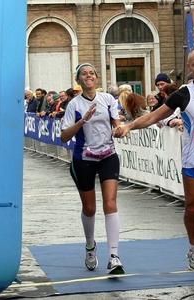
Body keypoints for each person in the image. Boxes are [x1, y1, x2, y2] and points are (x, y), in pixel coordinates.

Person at [113, 48, 194, 271]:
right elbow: (154, 116)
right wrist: (128, 126)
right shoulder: (183, 94)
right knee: (193, 209)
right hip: (193, 161)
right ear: (190, 68)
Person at [60, 63, 125, 275]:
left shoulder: (107, 99)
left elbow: (116, 122)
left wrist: (119, 129)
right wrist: (83, 121)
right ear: (78, 80)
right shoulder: (74, 105)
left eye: (91, 73)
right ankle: (90, 246)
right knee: (90, 209)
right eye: (83, 74)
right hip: (83, 159)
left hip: (108, 156)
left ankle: (114, 256)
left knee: (110, 202)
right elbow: (64, 136)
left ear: (97, 78)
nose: (88, 76)